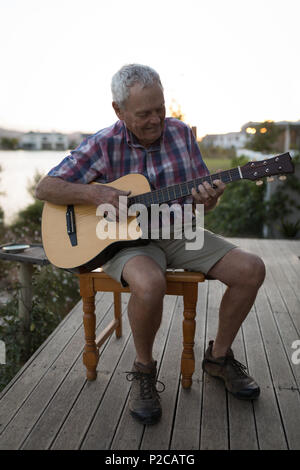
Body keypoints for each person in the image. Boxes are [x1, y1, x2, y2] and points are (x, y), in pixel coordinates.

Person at [36, 64, 266, 425]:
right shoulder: (103, 143)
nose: (156, 119)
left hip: (176, 231)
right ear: (119, 111)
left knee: (252, 269)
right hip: (124, 242)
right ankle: (144, 370)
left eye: (160, 109)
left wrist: (209, 200)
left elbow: (200, 198)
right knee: (149, 283)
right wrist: (94, 193)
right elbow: (46, 187)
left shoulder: (181, 135)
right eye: (144, 113)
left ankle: (218, 358)